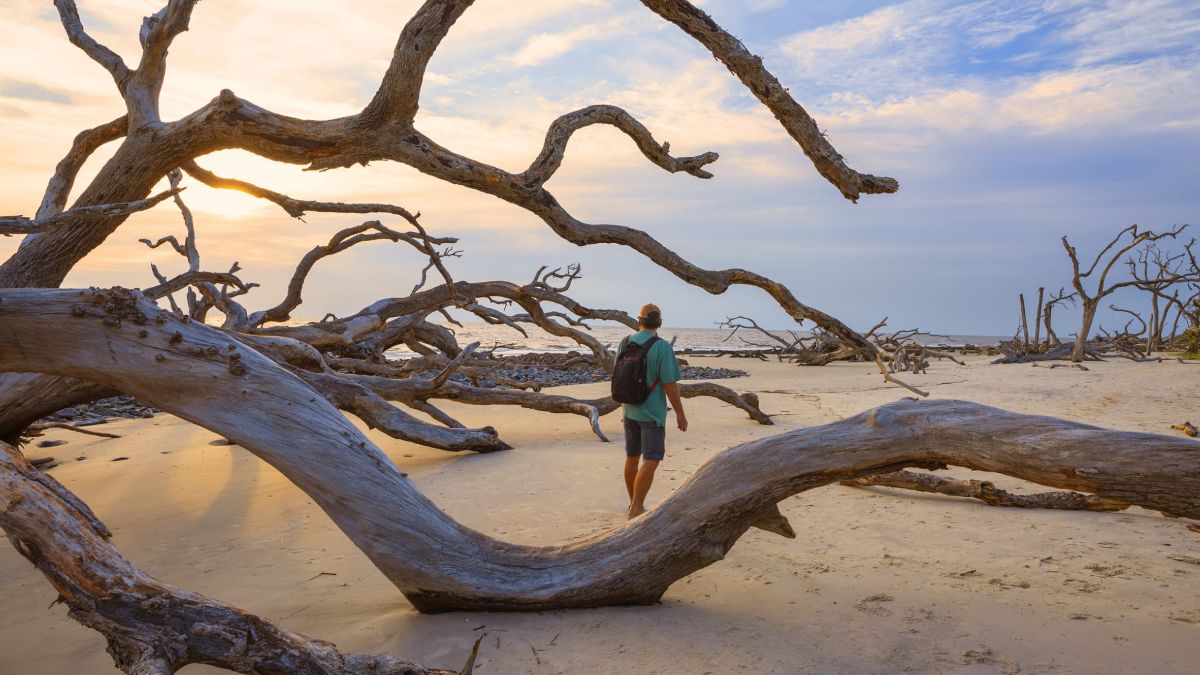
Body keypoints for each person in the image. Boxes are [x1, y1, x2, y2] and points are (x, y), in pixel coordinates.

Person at [619, 303, 687, 520]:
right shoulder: (662, 347)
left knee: (632, 456)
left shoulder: (625, 342)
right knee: (652, 459)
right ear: (659, 323)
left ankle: (633, 503)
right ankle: (636, 508)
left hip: (629, 409)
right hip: (652, 413)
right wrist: (680, 413)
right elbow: (669, 384)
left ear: (638, 321)